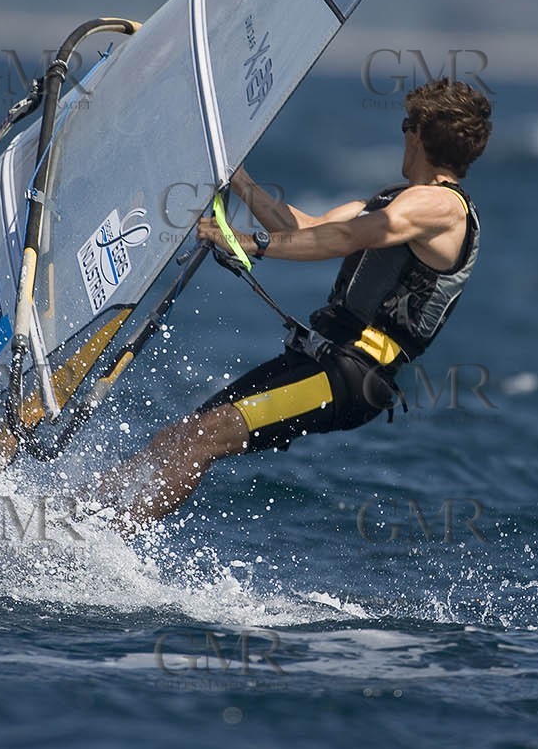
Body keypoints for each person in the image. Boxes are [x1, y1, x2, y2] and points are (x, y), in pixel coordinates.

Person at [87, 77, 491, 526]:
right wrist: (237, 178)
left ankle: (100, 541)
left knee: (204, 437)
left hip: (350, 377)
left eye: (405, 126)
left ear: (416, 132)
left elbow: (345, 237)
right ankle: (76, 516)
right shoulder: (394, 201)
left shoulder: (442, 207)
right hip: (318, 359)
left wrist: (247, 241)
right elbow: (305, 228)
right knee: (178, 436)